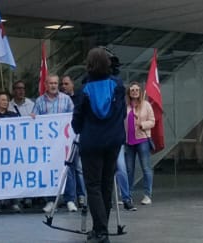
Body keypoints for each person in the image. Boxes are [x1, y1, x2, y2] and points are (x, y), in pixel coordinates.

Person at [72, 49, 124, 243]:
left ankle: (100, 231)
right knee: (106, 184)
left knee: (92, 186)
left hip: (92, 141)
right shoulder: (117, 85)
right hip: (113, 141)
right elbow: (123, 114)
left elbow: (78, 118)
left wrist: (78, 127)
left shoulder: (84, 88)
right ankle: (100, 229)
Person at [42, 75, 81, 215]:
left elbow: (74, 116)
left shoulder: (66, 99)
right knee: (49, 170)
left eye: (55, 83)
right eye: (50, 83)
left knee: (68, 168)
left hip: (64, 142)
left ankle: (70, 199)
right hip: (48, 143)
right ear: (46, 84)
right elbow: (35, 119)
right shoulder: (40, 101)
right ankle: (51, 200)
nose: (53, 85)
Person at [124, 82, 156, 206]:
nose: (135, 92)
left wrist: (142, 125)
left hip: (142, 140)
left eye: (137, 89)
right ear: (129, 92)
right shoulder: (126, 106)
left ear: (140, 91)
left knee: (146, 168)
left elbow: (152, 121)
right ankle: (128, 194)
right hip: (128, 141)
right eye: (132, 90)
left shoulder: (146, 105)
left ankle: (147, 195)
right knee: (129, 169)